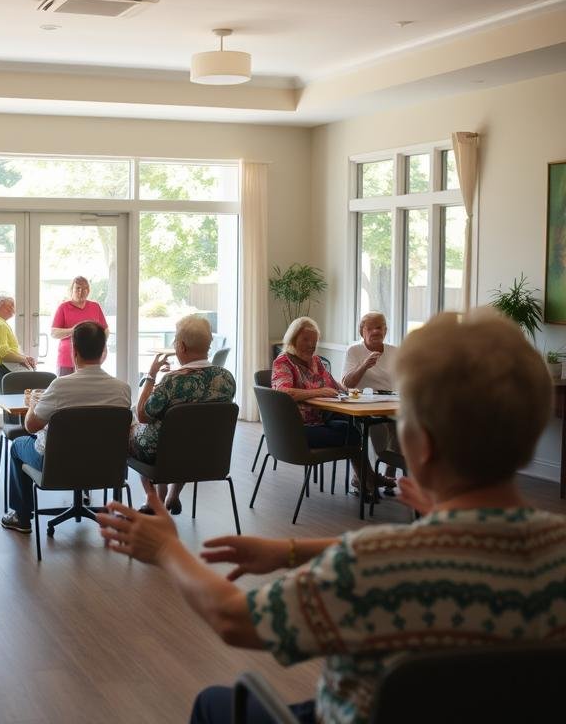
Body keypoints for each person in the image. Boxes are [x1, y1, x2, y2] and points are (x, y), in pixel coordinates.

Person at [99, 308, 565, 724]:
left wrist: (167, 549)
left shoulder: (374, 564)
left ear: (420, 442)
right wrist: (291, 551)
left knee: (213, 704)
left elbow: (233, 617)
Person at [1, 321, 131, 534]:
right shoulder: (122, 390)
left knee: (17, 445)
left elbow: (31, 426)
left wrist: (33, 403)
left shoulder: (60, 386)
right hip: (107, 467)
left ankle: (22, 517)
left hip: (58, 466)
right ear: (104, 351)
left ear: (74, 352)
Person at [272, 316, 392, 500]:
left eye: (314, 341)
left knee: (350, 425)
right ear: (293, 338)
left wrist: (349, 392)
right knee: (351, 434)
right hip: (295, 429)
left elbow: (334, 385)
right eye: (305, 339)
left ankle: (365, 480)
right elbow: (283, 392)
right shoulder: (283, 362)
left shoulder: (315, 362)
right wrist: (317, 392)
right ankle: (368, 479)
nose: (311, 345)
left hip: (317, 421)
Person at [130, 314, 236, 516]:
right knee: (190, 435)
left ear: (181, 347)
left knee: (133, 430)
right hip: (209, 453)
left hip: (164, 453)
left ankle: (153, 500)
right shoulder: (227, 378)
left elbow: (143, 415)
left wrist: (151, 376)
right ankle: (171, 495)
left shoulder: (172, 381)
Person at [342, 311, 401, 493]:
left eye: (380, 327)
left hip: (393, 401)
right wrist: (364, 365)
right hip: (365, 404)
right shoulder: (354, 351)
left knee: (404, 425)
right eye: (371, 328)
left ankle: (388, 473)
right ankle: (369, 477)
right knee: (378, 426)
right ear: (362, 331)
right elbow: (347, 383)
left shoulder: (395, 351)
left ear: (385, 330)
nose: (376, 331)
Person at [50, 276, 108, 376]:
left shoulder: (95, 306)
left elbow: (105, 330)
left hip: (91, 360)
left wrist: (101, 345)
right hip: (67, 360)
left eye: (85, 288)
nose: (81, 292)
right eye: (77, 288)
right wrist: (74, 331)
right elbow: (54, 333)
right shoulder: (63, 307)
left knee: (88, 390)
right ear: (72, 289)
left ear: (88, 291)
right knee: (66, 390)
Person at [0, 295, 36, 374]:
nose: (13, 310)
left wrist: (23, 358)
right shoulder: (0, 326)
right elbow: (4, 354)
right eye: (10, 307)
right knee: (44, 378)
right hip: (6, 369)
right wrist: (24, 359)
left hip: (2, 369)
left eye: (13, 307)